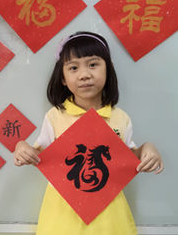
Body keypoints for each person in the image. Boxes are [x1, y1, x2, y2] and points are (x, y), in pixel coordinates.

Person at [13, 31, 164, 235]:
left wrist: (147, 149)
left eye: (93, 64)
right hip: (63, 211)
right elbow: (38, 154)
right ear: (63, 79)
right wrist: (22, 147)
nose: (84, 75)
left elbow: (130, 160)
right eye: (73, 68)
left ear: (108, 70)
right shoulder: (56, 116)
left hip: (109, 212)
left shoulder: (120, 118)